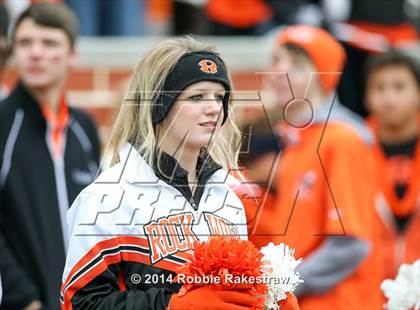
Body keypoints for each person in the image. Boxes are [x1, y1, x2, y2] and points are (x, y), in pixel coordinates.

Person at [61, 36, 298, 310]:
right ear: (160, 105)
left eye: (219, 98)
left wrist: (266, 297)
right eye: (197, 97)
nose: (213, 108)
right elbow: (79, 303)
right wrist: (171, 305)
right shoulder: (106, 198)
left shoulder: (228, 197)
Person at [242, 25, 383, 309]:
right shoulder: (299, 142)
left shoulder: (342, 139)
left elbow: (351, 245)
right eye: (277, 60)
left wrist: (278, 287)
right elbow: (296, 234)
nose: (280, 71)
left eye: (296, 65)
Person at [0, 3, 100, 309]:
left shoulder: (84, 128)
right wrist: (24, 298)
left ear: (72, 55)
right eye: (25, 43)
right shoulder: (2, 124)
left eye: (49, 43)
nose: (36, 53)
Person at [364, 51, 420, 281]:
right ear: (366, 96)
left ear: (417, 93)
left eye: (399, 87)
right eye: (379, 88)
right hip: (370, 288)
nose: (388, 98)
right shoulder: (351, 146)